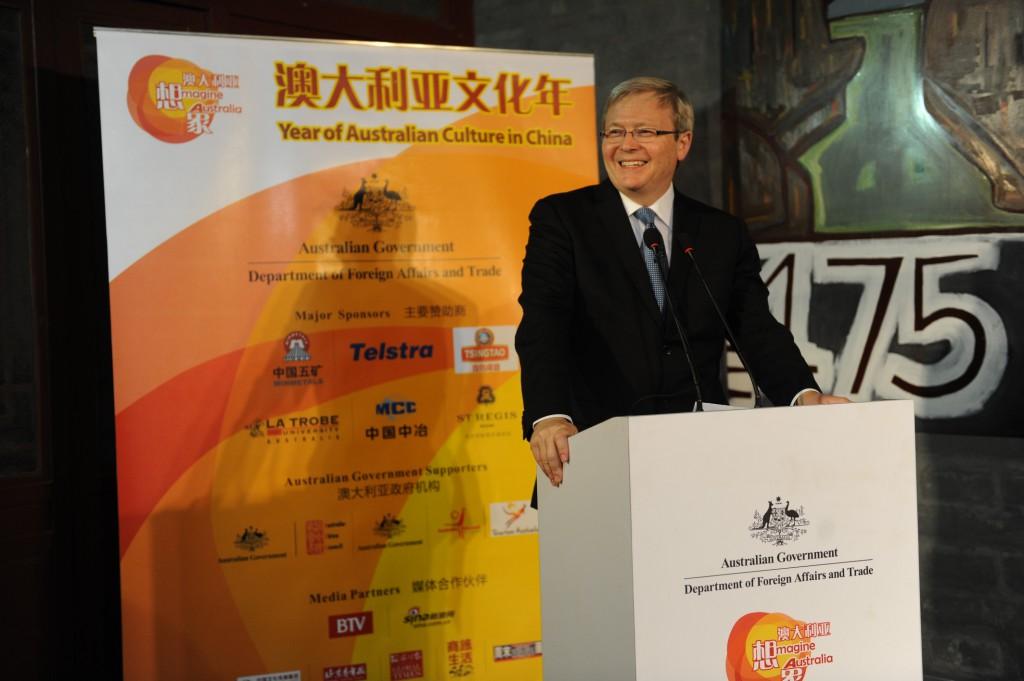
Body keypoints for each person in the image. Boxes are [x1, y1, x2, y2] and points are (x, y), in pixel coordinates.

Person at [515, 77, 847, 497]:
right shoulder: (562, 219)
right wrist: (548, 415)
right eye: (615, 132)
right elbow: (544, 322)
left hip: (698, 457)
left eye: (645, 132)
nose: (626, 144)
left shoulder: (720, 233)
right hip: (591, 451)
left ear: (683, 143)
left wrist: (802, 394)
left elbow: (755, 328)